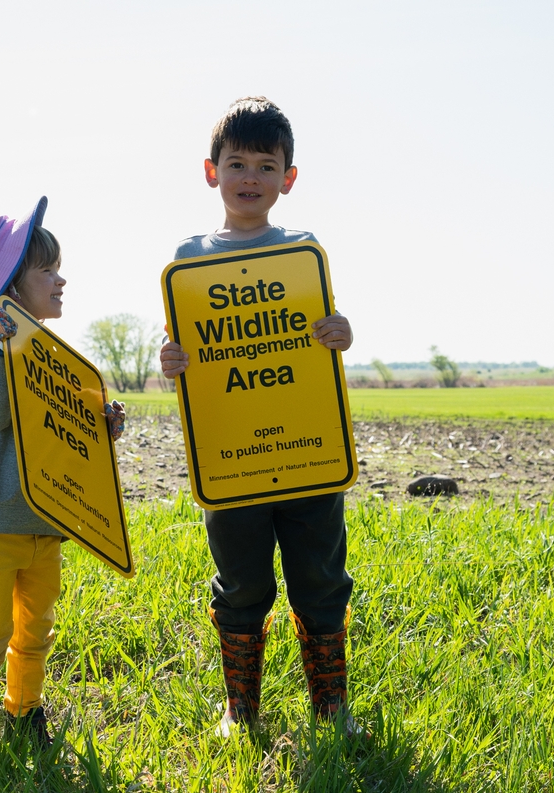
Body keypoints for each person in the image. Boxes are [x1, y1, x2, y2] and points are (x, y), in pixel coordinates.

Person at [159, 98, 360, 737]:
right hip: (231, 458)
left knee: (321, 580)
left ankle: (331, 709)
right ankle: (239, 710)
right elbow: (187, 354)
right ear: (211, 171)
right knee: (240, 584)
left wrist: (342, 332)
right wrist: (170, 360)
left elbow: (324, 333)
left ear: (288, 179)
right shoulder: (189, 259)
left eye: (266, 165)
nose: (251, 177)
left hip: (310, 454)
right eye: (237, 162)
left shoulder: (303, 251)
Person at [0, 196, 126, 752]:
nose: (61, 279)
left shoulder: (52, 357)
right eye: (47, 270)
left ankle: (24, 712)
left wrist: (100, 428)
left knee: (34, 634)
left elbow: (57, 436)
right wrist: (2, 351)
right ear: (8, 287)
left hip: (44, 524)